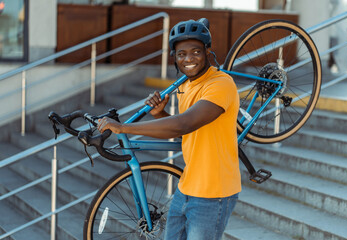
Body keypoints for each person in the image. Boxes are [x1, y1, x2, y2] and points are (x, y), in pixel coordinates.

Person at [97, 18, 241, 240]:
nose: (188, 59)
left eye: (195, 52)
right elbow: (184, 129)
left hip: (214, 193)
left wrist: (123, 127)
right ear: (175, 57)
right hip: (186, 187)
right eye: (181, 54)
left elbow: (185, 123)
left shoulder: (221, 84)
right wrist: (160, 114)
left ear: (207, 51)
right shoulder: (187, 84)